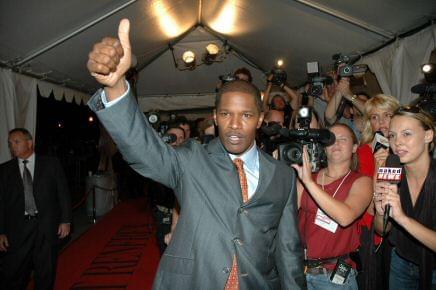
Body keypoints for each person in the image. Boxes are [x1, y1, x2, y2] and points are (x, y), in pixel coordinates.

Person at [86, 19, 306, 290]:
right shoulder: (191, 159)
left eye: (246, 115)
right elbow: (145, 151)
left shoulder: (282, 176)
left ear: (260, 119)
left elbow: (288, 250)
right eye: (226, 114)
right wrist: (115, 86)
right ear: (215, 116)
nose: (235, 125)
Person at [293, 123, 373, 290]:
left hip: (333, 276)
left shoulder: (361, 182)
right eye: (331, 139)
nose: (336, 143)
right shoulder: (309, 177)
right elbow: (284, 213)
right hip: (300, 270)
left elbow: (345, 217)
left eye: (343, 139)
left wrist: (308, 182)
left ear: (354, 147)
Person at [0, 128, 72, 290]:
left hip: (46, 228)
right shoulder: (4, 170)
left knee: (45, 274)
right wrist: (1, 231)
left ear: (29, 142)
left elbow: (63, 193)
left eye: (16, 142)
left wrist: (65, 220)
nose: (13, 146)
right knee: (13, 274)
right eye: (10, 143)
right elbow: (2, 202)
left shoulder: (51, 164)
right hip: (17, 231)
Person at [373, 106, 436, 290]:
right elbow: (381, 230)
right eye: (392, 136)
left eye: (406, 134)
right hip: (400, 263)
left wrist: (402, 218)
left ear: (428, 136)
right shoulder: (392, 168)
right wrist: (380, 213)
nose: (397, 142)